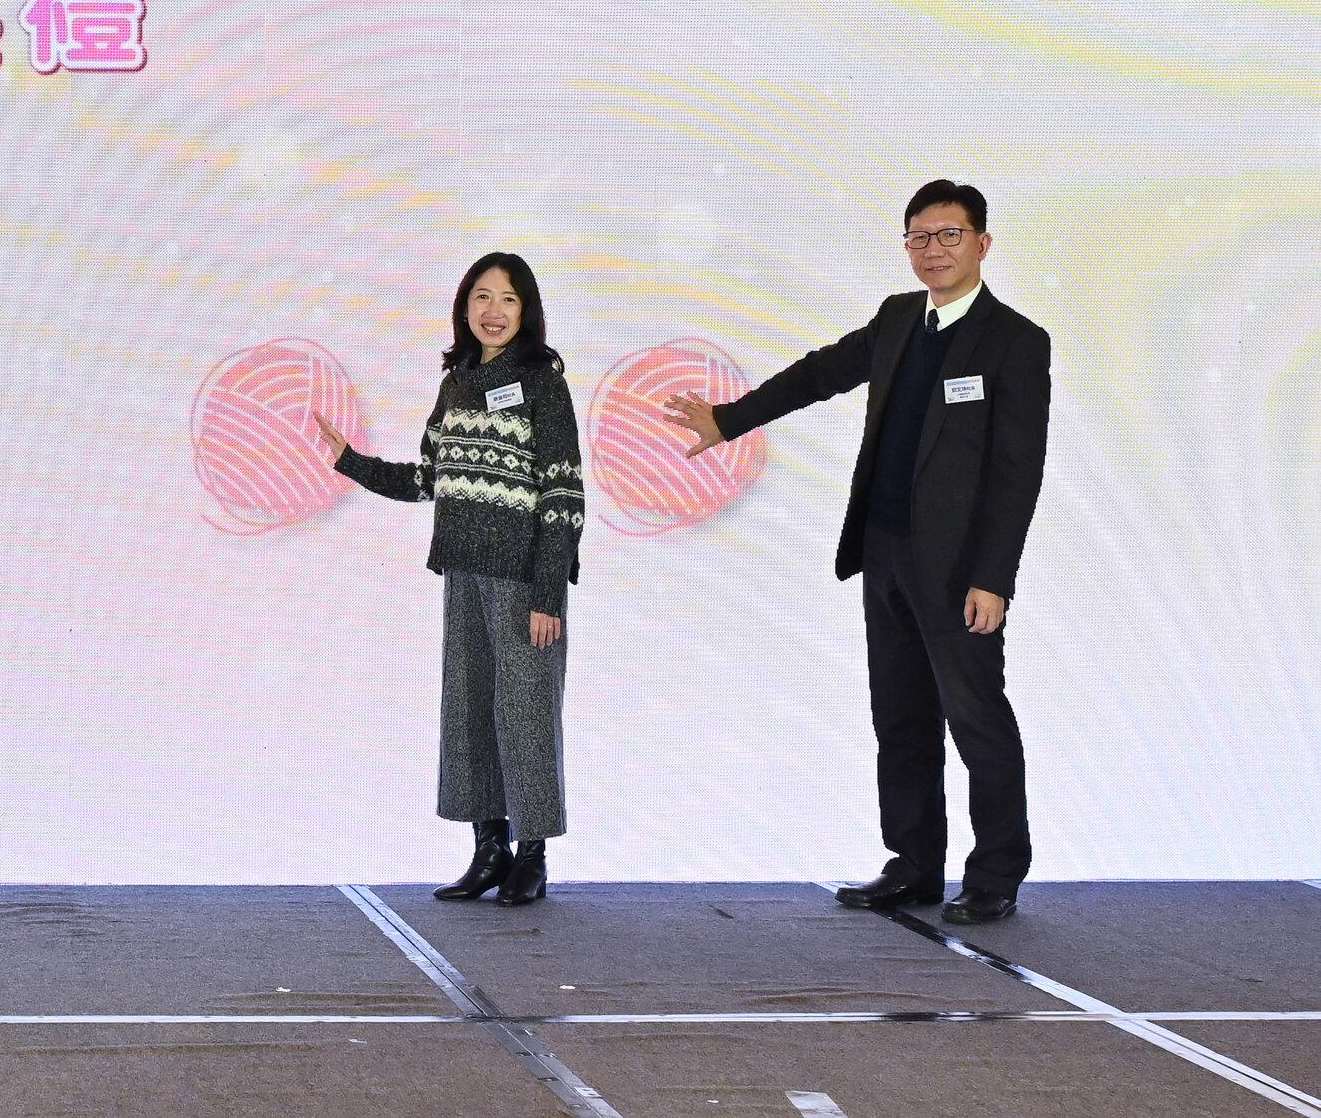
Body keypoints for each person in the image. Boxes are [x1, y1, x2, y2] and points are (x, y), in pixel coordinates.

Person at [664, 179, 1050, 924]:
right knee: (899, 718)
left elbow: (1015, 473)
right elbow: (820, 373)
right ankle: (912, 865)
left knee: (976, 720)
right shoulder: (898, 318)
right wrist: (729, 419)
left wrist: (992, 578)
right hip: (885, 552)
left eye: (948, 235)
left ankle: (995, 874)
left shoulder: (1014, 340)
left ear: (982, 244)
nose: (932, 250)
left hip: (959, 571)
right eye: (918, 237)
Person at [316, 252, 584, 907]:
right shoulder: (457, 382)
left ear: (527, 312)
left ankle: (532, 855)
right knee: (469, 715)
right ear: (464, 307)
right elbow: (428, 480)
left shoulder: (542, 383)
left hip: (522, 581)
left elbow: (563, 495)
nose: (493, 311)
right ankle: (487, 847)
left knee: (524, 717)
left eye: (508, 300)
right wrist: (349, 462)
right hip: (461, 574)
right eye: (482, 298)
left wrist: (548, 591)